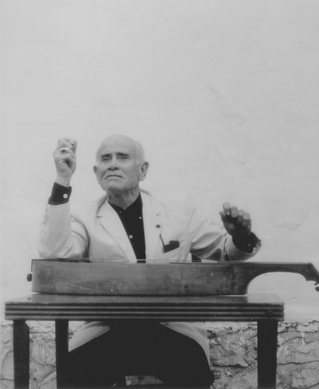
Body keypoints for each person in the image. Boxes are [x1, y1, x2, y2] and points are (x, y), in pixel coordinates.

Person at [38, 135, 262, 388]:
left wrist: (240, 237)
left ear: (142, 170)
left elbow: (225, 252)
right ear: (96, 173)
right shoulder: (83, 216)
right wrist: (63, 179)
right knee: (75, 372)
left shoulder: (178, 212)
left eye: (122, 157)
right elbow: (54, 253)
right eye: (105, 159)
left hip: (169, 327)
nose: (112, 164)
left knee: (192, 370)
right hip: (108, 328)